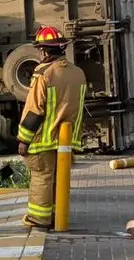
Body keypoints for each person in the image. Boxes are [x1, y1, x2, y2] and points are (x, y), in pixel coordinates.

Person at [16, 26, 87, 229]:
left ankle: (38, 218)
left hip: (43, 140)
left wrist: (23, 139)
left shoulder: (43, 74)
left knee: (41, 177)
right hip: (67, 141)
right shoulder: (78, 73)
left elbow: (34, 109)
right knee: (59, 178)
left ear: (45, 51)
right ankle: (57, 215)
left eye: (41, 50)